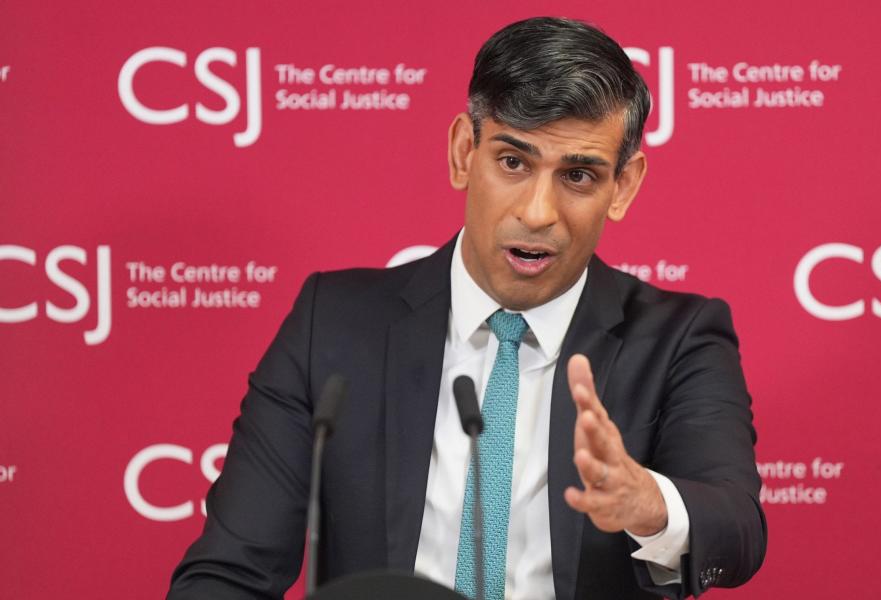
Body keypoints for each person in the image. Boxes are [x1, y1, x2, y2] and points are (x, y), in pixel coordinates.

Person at [168, 16, 766, 600]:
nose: (537, 212)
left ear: (624, 186)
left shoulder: (679, 337)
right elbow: (230, 572)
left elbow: (736, 530)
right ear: (463, 152)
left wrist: (647, 503)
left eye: (578, 175)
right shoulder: (335, 323)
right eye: (513, 162)